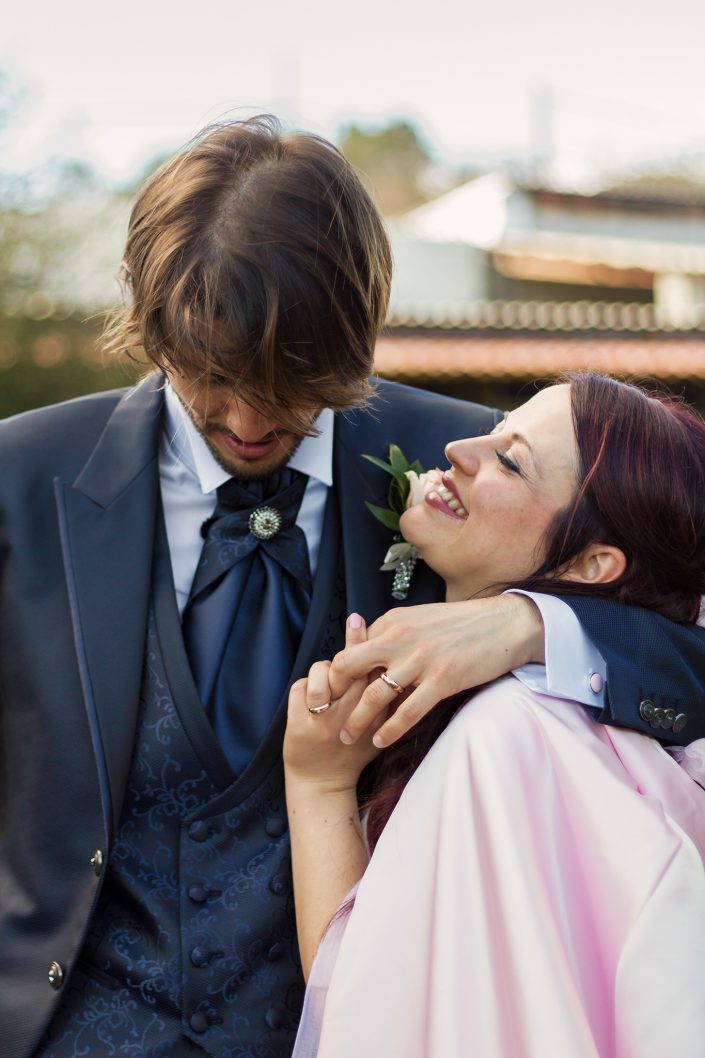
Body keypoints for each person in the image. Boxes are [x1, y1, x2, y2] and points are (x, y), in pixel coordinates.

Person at [0, 115, 703, 1058]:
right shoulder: (21, 477)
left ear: (356, 334)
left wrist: (528, 626)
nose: (248, 418)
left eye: (290, 380)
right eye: (209, 374)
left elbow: (686, 653)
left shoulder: (467, 475)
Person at [285, 374, 705, 1058]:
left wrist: (317, 786)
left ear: (593, 563)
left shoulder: (507, 741)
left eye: (510, 461)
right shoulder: (595, 734)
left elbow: (373, 1021)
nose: (454, 448)